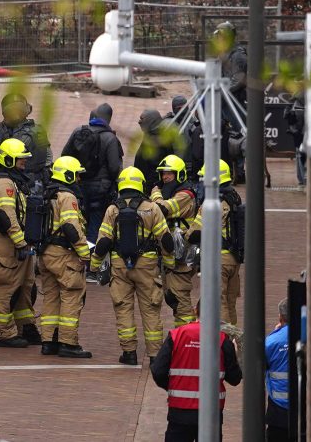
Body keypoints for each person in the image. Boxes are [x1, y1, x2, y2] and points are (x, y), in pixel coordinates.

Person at [90, 167, 175, 364]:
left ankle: (129, 353)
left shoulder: (113, 209)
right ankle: (155, 356)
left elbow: (103, 242)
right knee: (151, 309)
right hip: (147, 265)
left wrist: (94, 266)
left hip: (120, 266)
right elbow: (166, 240)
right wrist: (169, 264)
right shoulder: (152, 208)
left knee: (123, 308)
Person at [150, 298, 243, 442]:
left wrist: (173, 387)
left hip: (179, 412)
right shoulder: (222, 339)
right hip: (211, 414)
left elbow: (158, 370)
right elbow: (235, 378)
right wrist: (236, 355)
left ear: (195, 311)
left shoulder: (176, 335)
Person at [0, 138, 41, 348]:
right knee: (7, 287)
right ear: (9, 160)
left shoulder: (14, 180)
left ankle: (25, 326)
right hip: (7, 242)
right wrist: (20, 242)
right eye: (20, 160)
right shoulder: (3, 183)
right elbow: (6, 215)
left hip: (19, 243)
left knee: (25, 286)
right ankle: (3, 334)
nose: (24, 163)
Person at [38, 156, 93, 359]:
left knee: (51, 297)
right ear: (68, 174)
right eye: (77, 174)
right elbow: (71, 226)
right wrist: (84, 252)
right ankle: (68, 343)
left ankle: (48, 341)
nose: (79, 179)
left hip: (46, 253)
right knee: (72, 295)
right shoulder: (67, 197)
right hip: (63, 255)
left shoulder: (47, 193)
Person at [60, 102, 123, 245]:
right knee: (96, 225)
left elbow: (64, 156)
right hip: (100, 190)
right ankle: (91, 259)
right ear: (108, 119)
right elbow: (114, 169)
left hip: (78, 185)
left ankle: (77, 253)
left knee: (78, 221)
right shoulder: (110, 138)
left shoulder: (79, 132)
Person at [192, 160, 244, 325]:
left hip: (218, 260)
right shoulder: (234, 197)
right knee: (230, 303)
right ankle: (233, 343)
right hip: (234, 259)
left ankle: (224, 344)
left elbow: (193, 233)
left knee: (219, 304)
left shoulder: (211, 204)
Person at [150, 155, 198, 327]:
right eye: (163, 174)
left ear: (179, 175)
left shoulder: (185, 195)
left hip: (181, 254)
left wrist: (155, 194)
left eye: (169, 174)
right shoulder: (168, 192)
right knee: (171, 296)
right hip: (169, 253)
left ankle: (187, 337)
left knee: (180, 297)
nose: (165, 178)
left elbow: (161, 209)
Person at [0, 92, 52, 184]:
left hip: (19, 180)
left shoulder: (6, 129)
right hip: (39, 181)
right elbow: (48, 157)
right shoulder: (39, 129)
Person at [213, 21, 248, 183]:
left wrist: (222, 92)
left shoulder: (238, 55)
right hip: (224, 103)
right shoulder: (224, 53)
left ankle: (239, 173)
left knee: (237, 138)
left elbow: (238, 80)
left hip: (236, 103)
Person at [133, 109, 178, 195]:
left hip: (153, 189)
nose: (139, 122)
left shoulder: (160, 140)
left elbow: (157, 169)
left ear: (151, 121)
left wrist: (150, 187)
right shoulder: (150, 135)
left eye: (142, 119)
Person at [266, 299, 291, 441]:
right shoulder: (309, 335)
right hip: (305, 408)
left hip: (278, 411)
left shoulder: (272, 341)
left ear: (281, 317)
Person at [284, 92, 306, 187]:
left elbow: (286, 113)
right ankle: (303, 178)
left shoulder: (296, 96)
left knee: (299, 152)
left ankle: (302, 178)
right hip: (301, 128)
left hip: (297, 128)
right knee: (300, 153)